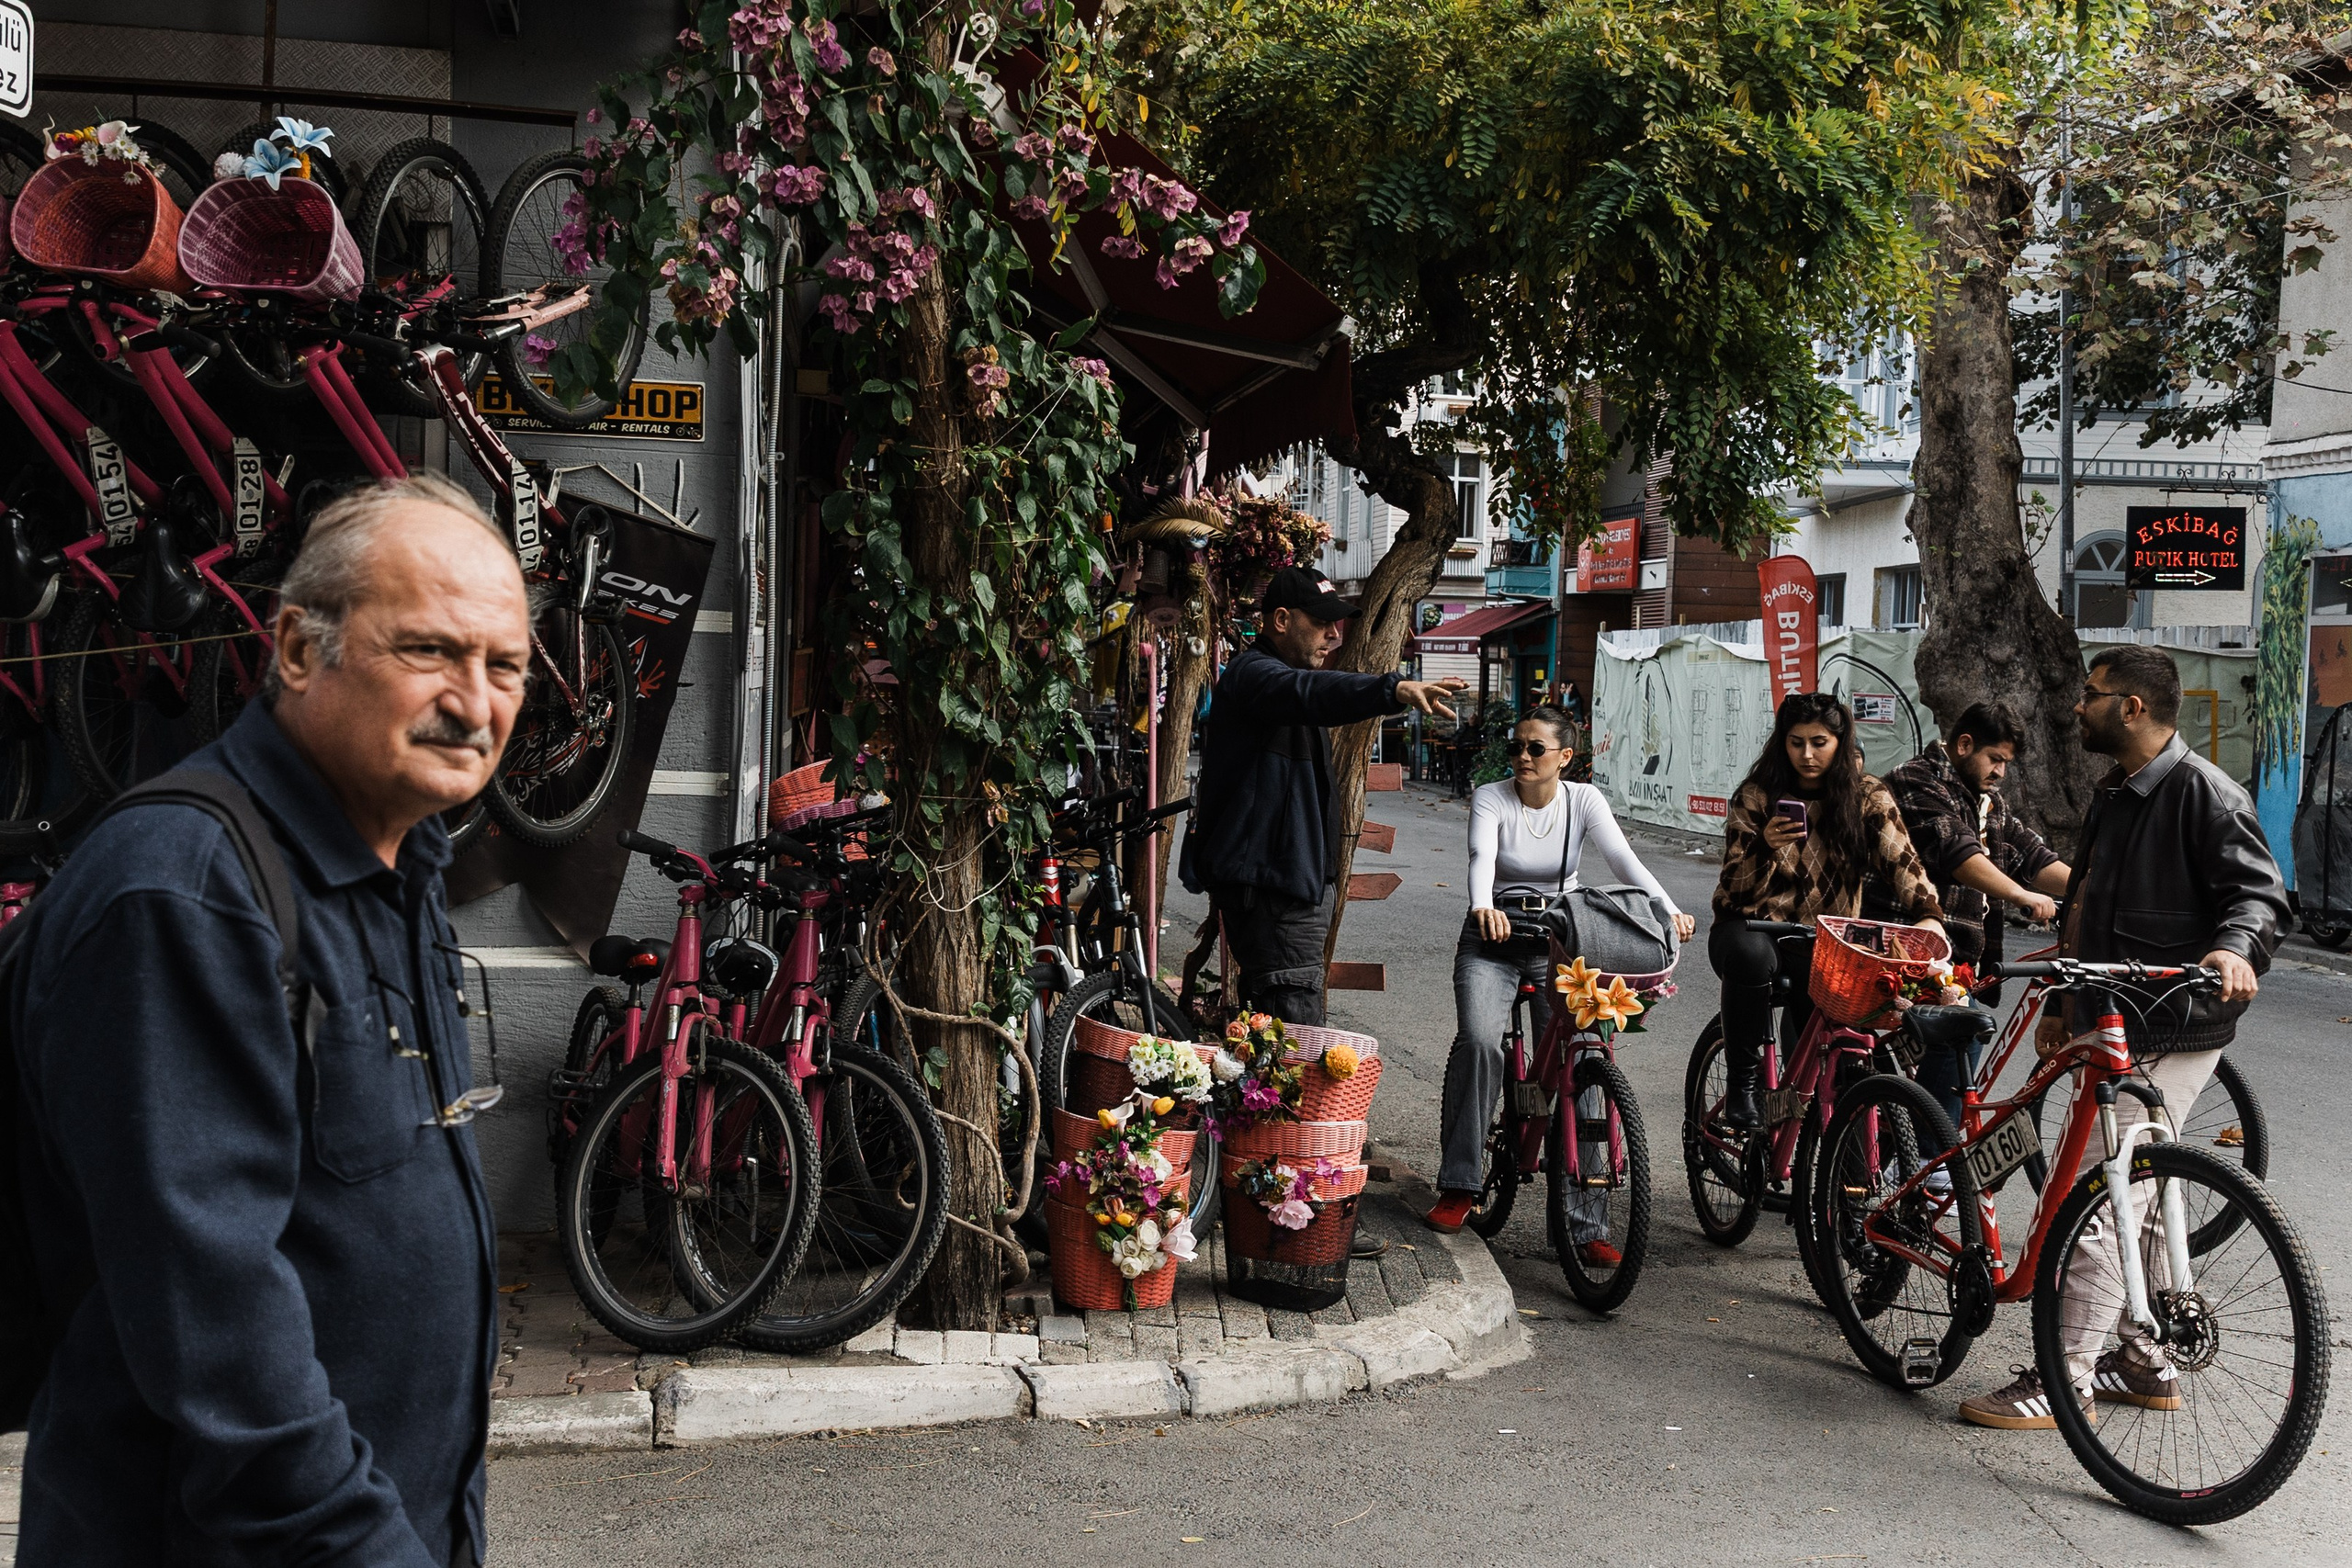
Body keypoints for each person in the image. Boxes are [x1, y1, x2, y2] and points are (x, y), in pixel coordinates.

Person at [11, 473, 530, 1563]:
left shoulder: (402, 865)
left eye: (506, 666)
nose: (475, 703)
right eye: (430, 650)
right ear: (298, 650)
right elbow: (226, 1358)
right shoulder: (185, 893)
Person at [1959, 645, 2287, 1431]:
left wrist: (2234, 951)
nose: (2078, 704)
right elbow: (2087, 903)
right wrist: (2059, 1005)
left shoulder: (2205, 793)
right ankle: (2142, 1358)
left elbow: (2259, 894)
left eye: (2091, 693)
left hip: (2172, 1021)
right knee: (2133, 1191)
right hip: (2107, 1016)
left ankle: (2063, 1376)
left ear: (2133, 708)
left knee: (2111, 1192)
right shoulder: (2116, 790)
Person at [1426, 706, 1694, 1238]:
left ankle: (1586, 1225)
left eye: (1536, 749)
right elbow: (1482, 855)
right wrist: (1484, 905)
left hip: (1561, 934)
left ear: (1565, 758)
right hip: (1493, 934)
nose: (1522, 756)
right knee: (1479, 1042)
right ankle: (1460, 1184)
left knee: (1586, 1055)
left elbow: (1624, 862)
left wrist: (1666, 908)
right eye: (1516, 747)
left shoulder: (1584, 800)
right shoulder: (1491, 797)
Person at [1180, 565, 1464, 1025]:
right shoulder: (1256, 676)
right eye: (1321, 622)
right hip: (1275, 893)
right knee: (1294, 1041)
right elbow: (1308, 692)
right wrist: (1392, 688)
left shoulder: (1279, 684)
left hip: (1287, 889)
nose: (1333, 634)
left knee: (1272, 1042)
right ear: (1280, 621)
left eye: (1337, 623)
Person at [1710, 693, 1946, 1130]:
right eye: (1796, 742)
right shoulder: (1757, 797)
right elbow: (1732, 890)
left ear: (1840, 742)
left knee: (1838, 1063)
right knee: (1752, 956)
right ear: (1781, 743)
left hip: (1826, 943)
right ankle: (1742, 1085)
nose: (1807, 754)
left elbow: (1904, 862)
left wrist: (1928, 913)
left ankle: (1844, 1172)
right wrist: (1765, 846)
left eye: (1819, 742)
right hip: (1750, 928)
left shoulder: (1868, 796)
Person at [1882, 702, 2072, 1124]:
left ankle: (1914, 1144)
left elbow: (2033, 856)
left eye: (2007, 762)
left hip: (1957, 960)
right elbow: (1958, 854)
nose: (2001, 771)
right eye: (1996, 759)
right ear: (1964, 744)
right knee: (1965, 1029)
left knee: (1954, 1041)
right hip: (1905, 948)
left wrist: (2090, 888)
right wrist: (2023, 895)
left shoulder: (1990, 803)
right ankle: (1932, 1159)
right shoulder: (1914, 780)